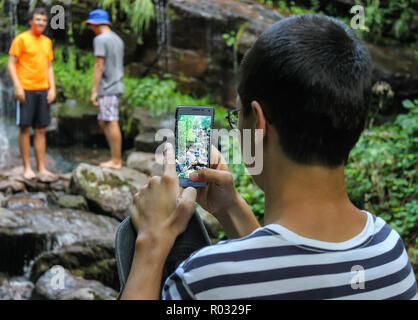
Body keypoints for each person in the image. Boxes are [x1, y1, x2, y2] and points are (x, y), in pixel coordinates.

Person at [120, 14, 417, 299]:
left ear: (259, 123)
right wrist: (231, 209)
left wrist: (152, 242)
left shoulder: (206, 280)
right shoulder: (390, 252)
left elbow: (267, 272)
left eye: (238, 117)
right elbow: (282, 273)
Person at [7, 7, 56, 180]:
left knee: (41, 129)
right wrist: (17, 86)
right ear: (30, 21)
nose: (41, 23)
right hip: (26, 89)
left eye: (43, 20)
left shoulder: (47, 42)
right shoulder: (21, 39)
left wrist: (52, 87)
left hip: (42, 89)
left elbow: (49, 66)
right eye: (38, 20)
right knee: (25, 128)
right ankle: (27, 167)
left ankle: (41, 168)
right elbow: (11, 63)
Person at [87, 9, 124, 169]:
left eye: (91, 25)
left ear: (95, 24)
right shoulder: (117, 39)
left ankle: (116, 160)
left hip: (108, 86)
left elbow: (99, 65)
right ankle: (114, 157)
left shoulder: (100, 39)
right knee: (104, 121)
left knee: (110, 121)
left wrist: (94, 91)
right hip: (117, 85)